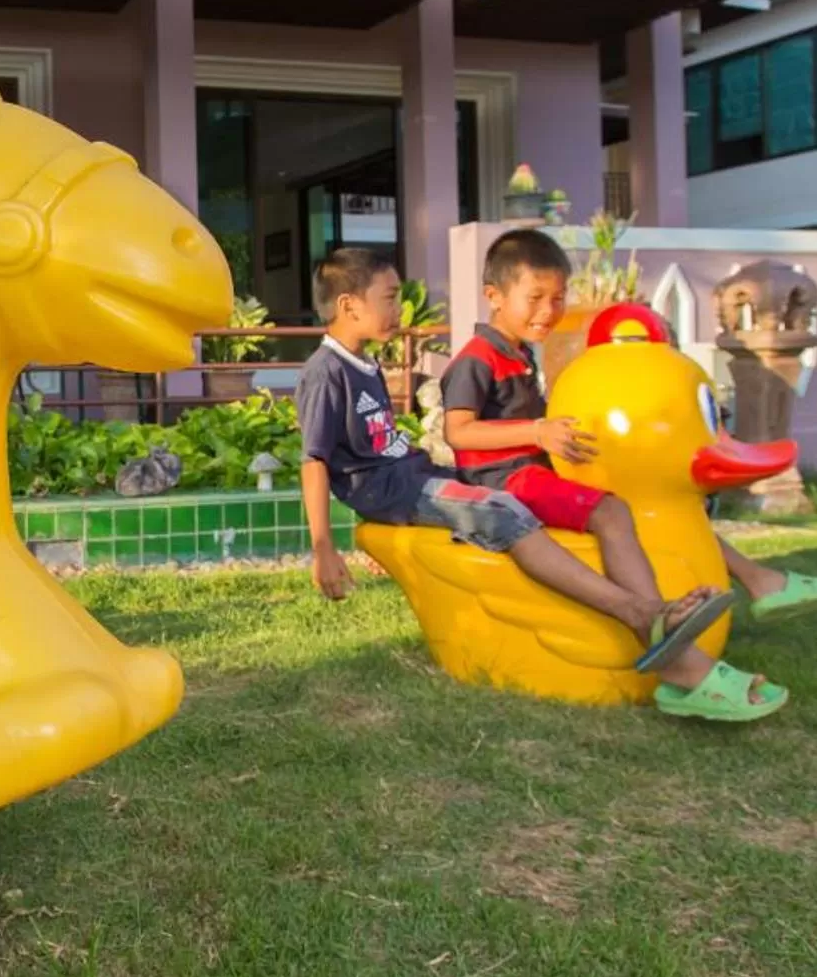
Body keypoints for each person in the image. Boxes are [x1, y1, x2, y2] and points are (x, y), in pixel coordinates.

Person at [296, 247, 782, 720]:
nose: (399, 308)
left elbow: (377, 445)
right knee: (504, 512)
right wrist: (323, 547)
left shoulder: (364, 364)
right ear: (349, 305)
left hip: (412, 479)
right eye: (390, 296)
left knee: (564, 507)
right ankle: (642, 614)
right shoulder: (326, 372)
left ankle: (666, 630)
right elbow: (315, 460)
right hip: (395, 490)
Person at [441, 228, 817, 627]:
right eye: (535, 298)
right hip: (506, 482)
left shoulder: (521, 354)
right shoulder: (477, 359)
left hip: (536, 470)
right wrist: (538, 432)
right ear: (494, 296)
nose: (548, 310)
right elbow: (458, 432)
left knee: (649, 491)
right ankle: (655, 616)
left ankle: (760, 580)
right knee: (610, 512)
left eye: (558, 298)